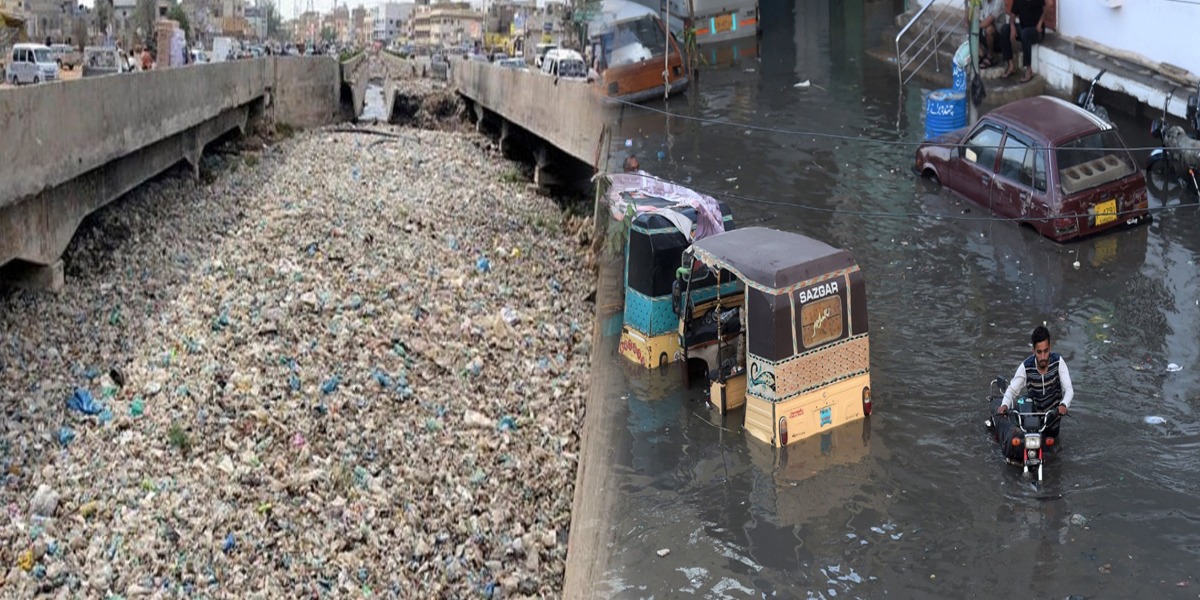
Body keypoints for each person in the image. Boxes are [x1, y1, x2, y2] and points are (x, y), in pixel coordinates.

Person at [996, 325, 1073, 440]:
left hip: (1053, 422)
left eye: (1046, 351)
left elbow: (1069, 389)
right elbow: (1012, 390)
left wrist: (1063, 405)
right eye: (1039, 352)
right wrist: (1004, 405)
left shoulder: (1058, 362)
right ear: (1033, 351)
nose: (1043, 357)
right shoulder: (1026, 367)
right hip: (1033, 423)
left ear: (1050, 348)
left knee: (1054, 453)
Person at [999, 0, 1051, 83]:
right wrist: (1012, 26)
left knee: (1025, 33)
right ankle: (1011, 65)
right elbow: (1013, 14)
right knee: (1005, 29)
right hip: (1023, 28)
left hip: (1037, 31)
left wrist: (1040, 22)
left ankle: (1029, 70)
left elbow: (1050, 3)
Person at [975, 0, 1006, 68]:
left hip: (999, 39)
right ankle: (981, 55)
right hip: (986, 34)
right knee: (972, 24)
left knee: (989, 29)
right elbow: (975, 10)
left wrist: (976, 27)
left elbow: (989, 20)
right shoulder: (984, 1)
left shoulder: (999, 2)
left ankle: (990, 57)